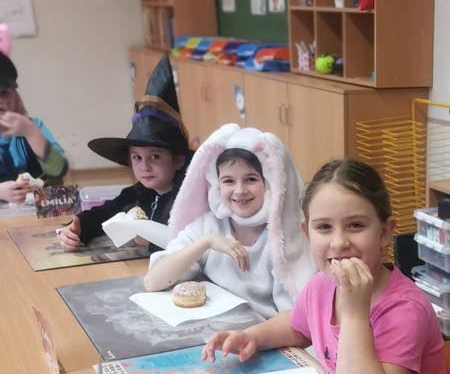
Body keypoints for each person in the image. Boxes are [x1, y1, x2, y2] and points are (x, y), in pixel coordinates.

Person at [201, 159, 450, 374]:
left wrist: (354, 313)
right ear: (306, 232)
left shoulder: (404, 309)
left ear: (384, 232)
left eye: (356, 225)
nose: (339, 243)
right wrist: (253, 336)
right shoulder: (322, 284)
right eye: (323, 227)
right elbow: (296, 326)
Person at [144, 123, 314, 317]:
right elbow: (153, 282)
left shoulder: (283, 237)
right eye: (228, 181)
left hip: (262, 335)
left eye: (251, 179)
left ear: (270, 182)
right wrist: (206, 243)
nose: (239, 190)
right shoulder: (210, 224)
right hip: (211, 332)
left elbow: (297, 316)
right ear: (216, 184)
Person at [59, 56, 189, 252]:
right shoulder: (140, 193)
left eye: (155, 156)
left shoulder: (189, 197)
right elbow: (105, 213)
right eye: (137, 157)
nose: (144, 166)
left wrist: (150, 242)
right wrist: (77, 228)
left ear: (178, 160)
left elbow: (192, 242)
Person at [0, 51, 68, 202]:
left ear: (15, 95)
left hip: (37, 213)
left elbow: (59, 169)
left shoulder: (33, 126)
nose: (2, 101)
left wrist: (31, 133)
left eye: (5, 93)